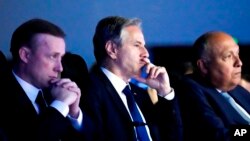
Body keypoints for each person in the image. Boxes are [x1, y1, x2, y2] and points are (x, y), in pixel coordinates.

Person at [82, 16, 182, 141]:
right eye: (137, 45)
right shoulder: (88, 90)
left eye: (144, 46)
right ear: (112, 49)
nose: (146, 53)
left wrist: (165, 91)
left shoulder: (140, 94)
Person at [0, 18, 92, 141]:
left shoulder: (55, 91)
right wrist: (60, 105)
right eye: (53, 57)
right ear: (25, 55)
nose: (60, 68)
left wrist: (73, 113)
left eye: (61, 58)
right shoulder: (3, 97)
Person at [176, 31, 250, 141]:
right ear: (204, 66)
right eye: (228, 56)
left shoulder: (239, 90)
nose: (239, 63)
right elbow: (219, 135)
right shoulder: (190, 88)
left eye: (237, 54)